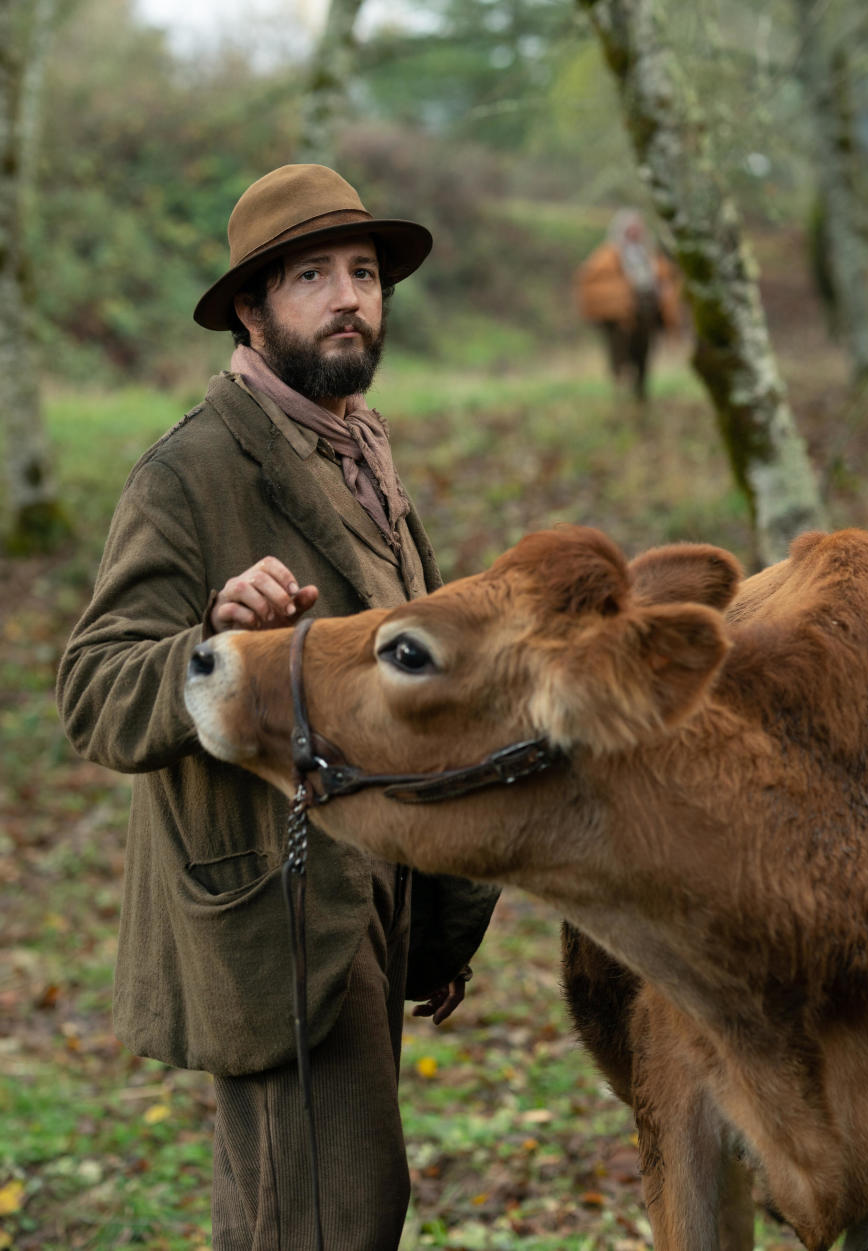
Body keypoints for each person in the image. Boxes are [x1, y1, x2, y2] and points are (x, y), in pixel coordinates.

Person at [56, 163, 500, 1251]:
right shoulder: (190, 472)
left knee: (303, 1212)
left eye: (363, 272)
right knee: (331, 1212)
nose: (349, 295)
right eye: (312, 275)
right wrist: (212, 644)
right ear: (252, 312)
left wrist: (441, 911)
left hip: (375, 889)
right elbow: (96, 691)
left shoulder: (364, 455)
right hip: (272, 897)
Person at [574, 208, 682, 399]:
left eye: (638, 229)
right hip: (620, 318)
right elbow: (593, 282)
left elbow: (665, 278)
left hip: (646, 314)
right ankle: (619, 393)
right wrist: (622, 295)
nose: (635, 233)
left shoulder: (649, 255)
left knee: (643, 354)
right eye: (631, 229)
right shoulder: (607, 256)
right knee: (619, 356)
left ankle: (640, 394)